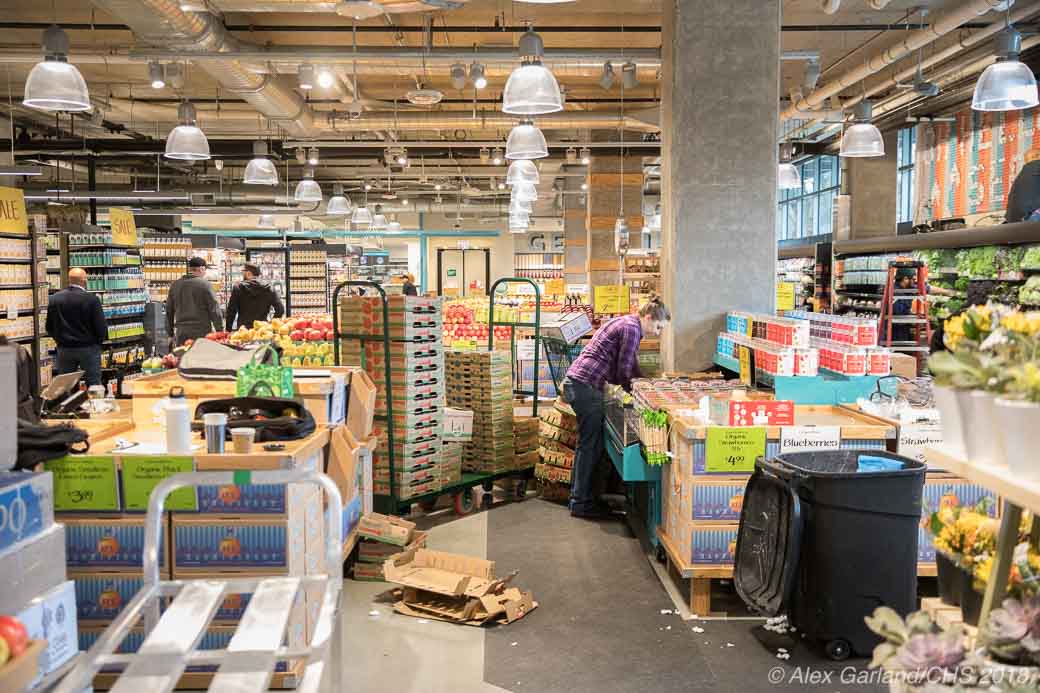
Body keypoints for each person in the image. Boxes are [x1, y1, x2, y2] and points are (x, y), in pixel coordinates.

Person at [561, 295, 671, 519]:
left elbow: (630, 366)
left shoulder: (626, 322)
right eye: (658, 327)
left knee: (588, 444)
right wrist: (640, 395)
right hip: (586, 386)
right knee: (590, 446)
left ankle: (580, 497)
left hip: (579, 383)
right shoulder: (632, 330)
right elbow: (624, 370)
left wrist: (645, 383)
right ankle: (581, 503)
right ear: (649, 317)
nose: (658, 332)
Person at [45, 267, 107, 386]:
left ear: (69, 280)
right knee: (93, 384)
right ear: (84, 280)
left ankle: (68, 399)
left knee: (65, 385)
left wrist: (60, 340)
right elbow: (100, 327)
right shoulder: (92, 300)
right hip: (88, 349)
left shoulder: (55, 299)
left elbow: (49, 326)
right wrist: (97, 343)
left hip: (64, 349)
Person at [166, 256, 222, 346]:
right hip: (202, 332)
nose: (205, 273)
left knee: (182, 354)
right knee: (200, 354)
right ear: (201, 269)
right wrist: (220, 331)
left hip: (181, 332)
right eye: (205, 271)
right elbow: (214, 309)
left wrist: (170, 333)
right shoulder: (205, 285)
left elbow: (169, 311)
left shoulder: (175, 285)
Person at [226, 262, 285, 331]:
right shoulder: (269, 288)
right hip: (262, 330)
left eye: (243, 272)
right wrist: (271, 324)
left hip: (243, 331)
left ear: (248, 273)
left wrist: (228, 330)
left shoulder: (238, 288)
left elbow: (231, 312)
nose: (242, 275)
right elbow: (280, 309)